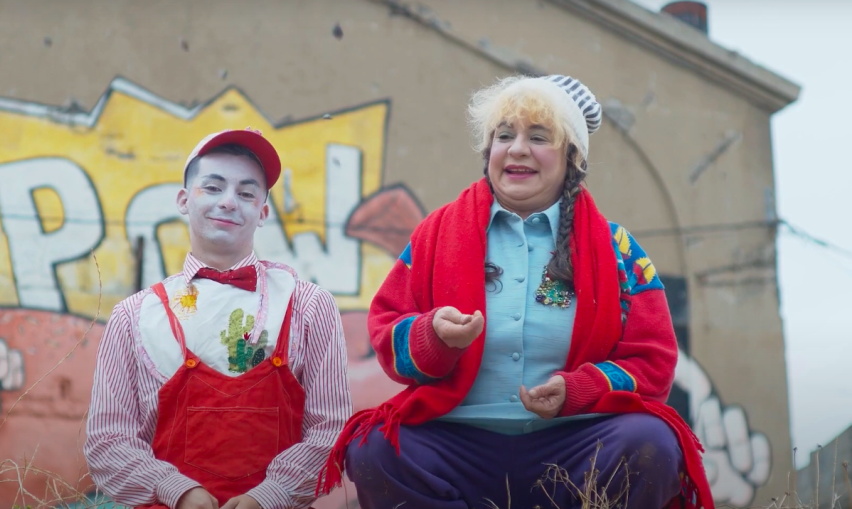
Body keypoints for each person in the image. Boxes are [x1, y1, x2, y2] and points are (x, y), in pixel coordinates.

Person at [317, 75, 714, 509]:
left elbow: (654, 360)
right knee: (375, 448)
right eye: (505, 135)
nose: (518, 148)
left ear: (571, 158)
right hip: (455, 443)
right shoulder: (435, 234)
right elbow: (386, 332)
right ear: (489, 152)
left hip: (576, 447)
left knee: (649, 442)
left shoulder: (617, 248)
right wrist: (433, 336)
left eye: (539, 137)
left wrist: (579, 389)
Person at [85, 128, 353, 509]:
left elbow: (332, 431)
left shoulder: (310, 306)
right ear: (184, 199)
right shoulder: (132, 317)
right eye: (213, 188)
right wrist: (176, 490)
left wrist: (270, 496)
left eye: (246, 193)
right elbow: (107, 441)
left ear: (262, 212)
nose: (229, 202)